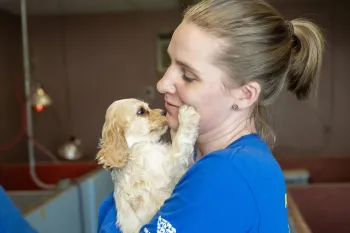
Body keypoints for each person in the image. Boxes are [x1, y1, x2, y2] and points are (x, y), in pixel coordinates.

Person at [97, 0, 325, 232]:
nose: (162, 83)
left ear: (245, 95)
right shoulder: (240, 161)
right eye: (169, 62)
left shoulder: (224, 174)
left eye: (188, 75)